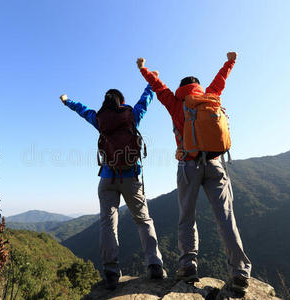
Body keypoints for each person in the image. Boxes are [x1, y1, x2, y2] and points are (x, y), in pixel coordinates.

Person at [136, 53, 252, 293]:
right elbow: (221, 79)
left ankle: (188, 266)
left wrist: (144, 69)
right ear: (198, 86)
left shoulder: (176, 101)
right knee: (226, 218)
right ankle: (240, 272)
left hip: (188, 165)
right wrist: (230, 61)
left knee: (187, 217)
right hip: (215, 163)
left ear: (181, 88)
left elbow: (158, 87)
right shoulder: (210, 96)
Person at [60, 84, 166, 290]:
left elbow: (82, 110)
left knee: (108, 225)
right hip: (131, 177)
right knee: (143, 220)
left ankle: (111, 272)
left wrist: (66, 101)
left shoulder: (100, 119)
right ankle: (154, 264)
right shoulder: (131, 115)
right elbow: (146, 100)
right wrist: (151, 82)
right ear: (121, 101)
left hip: (107, 178)